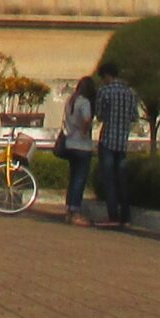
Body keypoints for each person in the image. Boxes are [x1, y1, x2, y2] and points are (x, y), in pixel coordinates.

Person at [95, 60, 143, 229]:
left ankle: (113, 216)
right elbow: (134, 117)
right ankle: (126, 217)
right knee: (122, 180)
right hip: (122, 141)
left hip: (108, 139)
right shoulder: (130, 93)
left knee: (109, 180)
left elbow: (99, 115)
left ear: (107, 76)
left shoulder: (104, 91)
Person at [58, 74, 98, 226]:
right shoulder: (85, 102)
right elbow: (87, 120)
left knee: (73, 178)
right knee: (80, 179)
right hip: (82, 145)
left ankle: (69, 210)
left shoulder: (71, 100)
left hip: (69, 143)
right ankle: (75, 211)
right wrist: (84, 131)